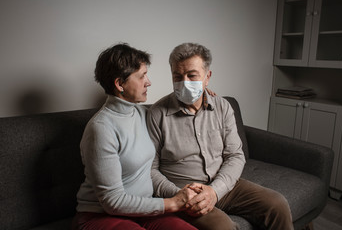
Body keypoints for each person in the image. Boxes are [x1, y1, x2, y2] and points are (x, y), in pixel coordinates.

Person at [147, 42, 294, 230]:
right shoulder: (157, 114)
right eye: (177, 76)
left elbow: (235, 155)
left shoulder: (223, 106)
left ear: (207, 77)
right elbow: (149, 170)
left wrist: (215, 191)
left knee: (277, 204)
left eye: (192, 75)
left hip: (223, 185)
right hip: (184, 193)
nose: (184, 82)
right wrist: (179, 195)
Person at [72, 43, 199, 230]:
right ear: (119, 84)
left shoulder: (142, 114)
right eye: (142, 76)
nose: (148, 82)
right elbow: (112, 201)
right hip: (100, 216)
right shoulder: (101, 129)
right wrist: (172, 203)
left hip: (143, 210)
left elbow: (174, 112)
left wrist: (203, 97)